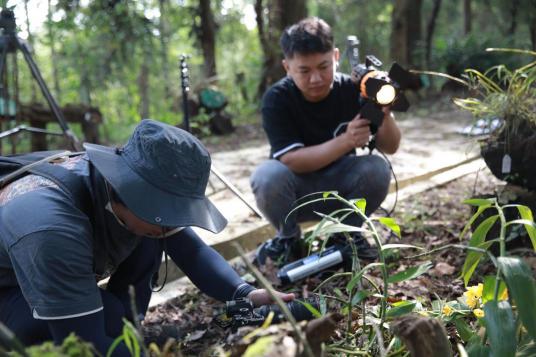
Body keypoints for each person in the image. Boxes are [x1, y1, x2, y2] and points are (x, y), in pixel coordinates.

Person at [0, 119, 294, 355]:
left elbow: (191, 252)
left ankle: (127, 330)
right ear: (125, 190)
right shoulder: (51, 227)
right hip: (9, 288)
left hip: (52, 270)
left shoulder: (134, 189)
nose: (171, 224)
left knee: (139, 263)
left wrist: (245, 293)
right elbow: (83, 346)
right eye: (164, 213)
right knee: (60, 334)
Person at [250, 17, 401, 266]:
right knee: (267, 176)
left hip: (342, 190)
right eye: (304, 71)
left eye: (323, 66)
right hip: (296, 194)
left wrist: (383, 111)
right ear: (287, 67)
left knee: (377, 168)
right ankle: (289, 240)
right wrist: (346, 141)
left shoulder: (354, 88)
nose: (316, 79)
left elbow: (391, 147)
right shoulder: (277, 99)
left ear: (336, 56)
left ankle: (344, 235)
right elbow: (292, 160)